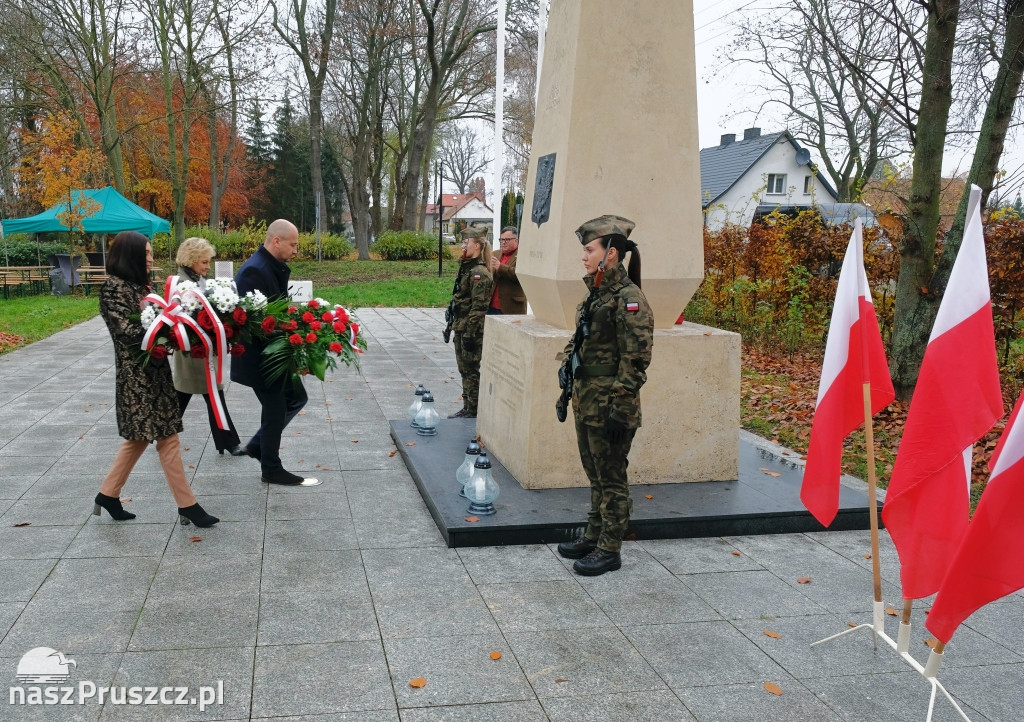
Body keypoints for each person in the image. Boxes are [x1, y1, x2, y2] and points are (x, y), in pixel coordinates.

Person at [93, 231, 219, 527]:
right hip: (137, 379)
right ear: (130, 255)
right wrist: (170, 330)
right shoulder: (113, 289)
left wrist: (181, 330)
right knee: (167, 439)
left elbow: (159, 324)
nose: (151, 258)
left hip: (156, 373)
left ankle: (107, 495)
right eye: (146, 253)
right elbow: (128, 333)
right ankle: (188, 505)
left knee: (138, 439)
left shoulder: (140, 286)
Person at [555, 215, 653, 576]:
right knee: (594, 473)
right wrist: (567, 365)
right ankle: (594, 533)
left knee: (612, 477)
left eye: (589, 249)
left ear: (610, 253)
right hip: (587, 398)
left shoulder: (629, 300)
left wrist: (621, 407)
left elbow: (636, 359)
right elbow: (582, 338)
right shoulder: (598, 292)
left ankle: (610, 548)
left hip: (610, 405)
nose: (583, 256)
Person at [232, 219, 315, 486]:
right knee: (276, 408)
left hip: (274, 354)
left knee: (296, 397)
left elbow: (276, 310)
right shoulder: (254, 271)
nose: (295, 251)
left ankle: (258, 446)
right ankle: (271, 467)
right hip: (261, 358)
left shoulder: (269, 266)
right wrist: (290, 339)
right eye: (293, 245)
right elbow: (254, 323)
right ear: (276, 241)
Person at [172, 237, 243, 456]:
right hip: (191, 350)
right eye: (203, 262)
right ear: (191, 260)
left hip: (204, 350)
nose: (207, 266)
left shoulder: (201, 280)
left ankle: (164, 433)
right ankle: (229, 443)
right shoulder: (179, 282)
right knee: (202, 393)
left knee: (204, 393)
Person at [448, 225, 493, 419]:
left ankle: (473, 408)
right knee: (464, 368)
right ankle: (467, 405)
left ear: (477, 245)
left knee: (471, 369)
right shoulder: (467, 268)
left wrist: (469, 333)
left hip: (470, 329)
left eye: (466, 243)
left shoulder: (479, 273)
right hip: (461, 325)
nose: (462, 246)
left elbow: (479, 307)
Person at [488, 225, 527, 314]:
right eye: (501, 240)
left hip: (512, 306)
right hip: (492, 305)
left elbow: (520, 274)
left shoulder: (523, 255)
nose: (503, 242)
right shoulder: (496, 253)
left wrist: (500, 267)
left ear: (516, 240)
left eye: (507, 240)